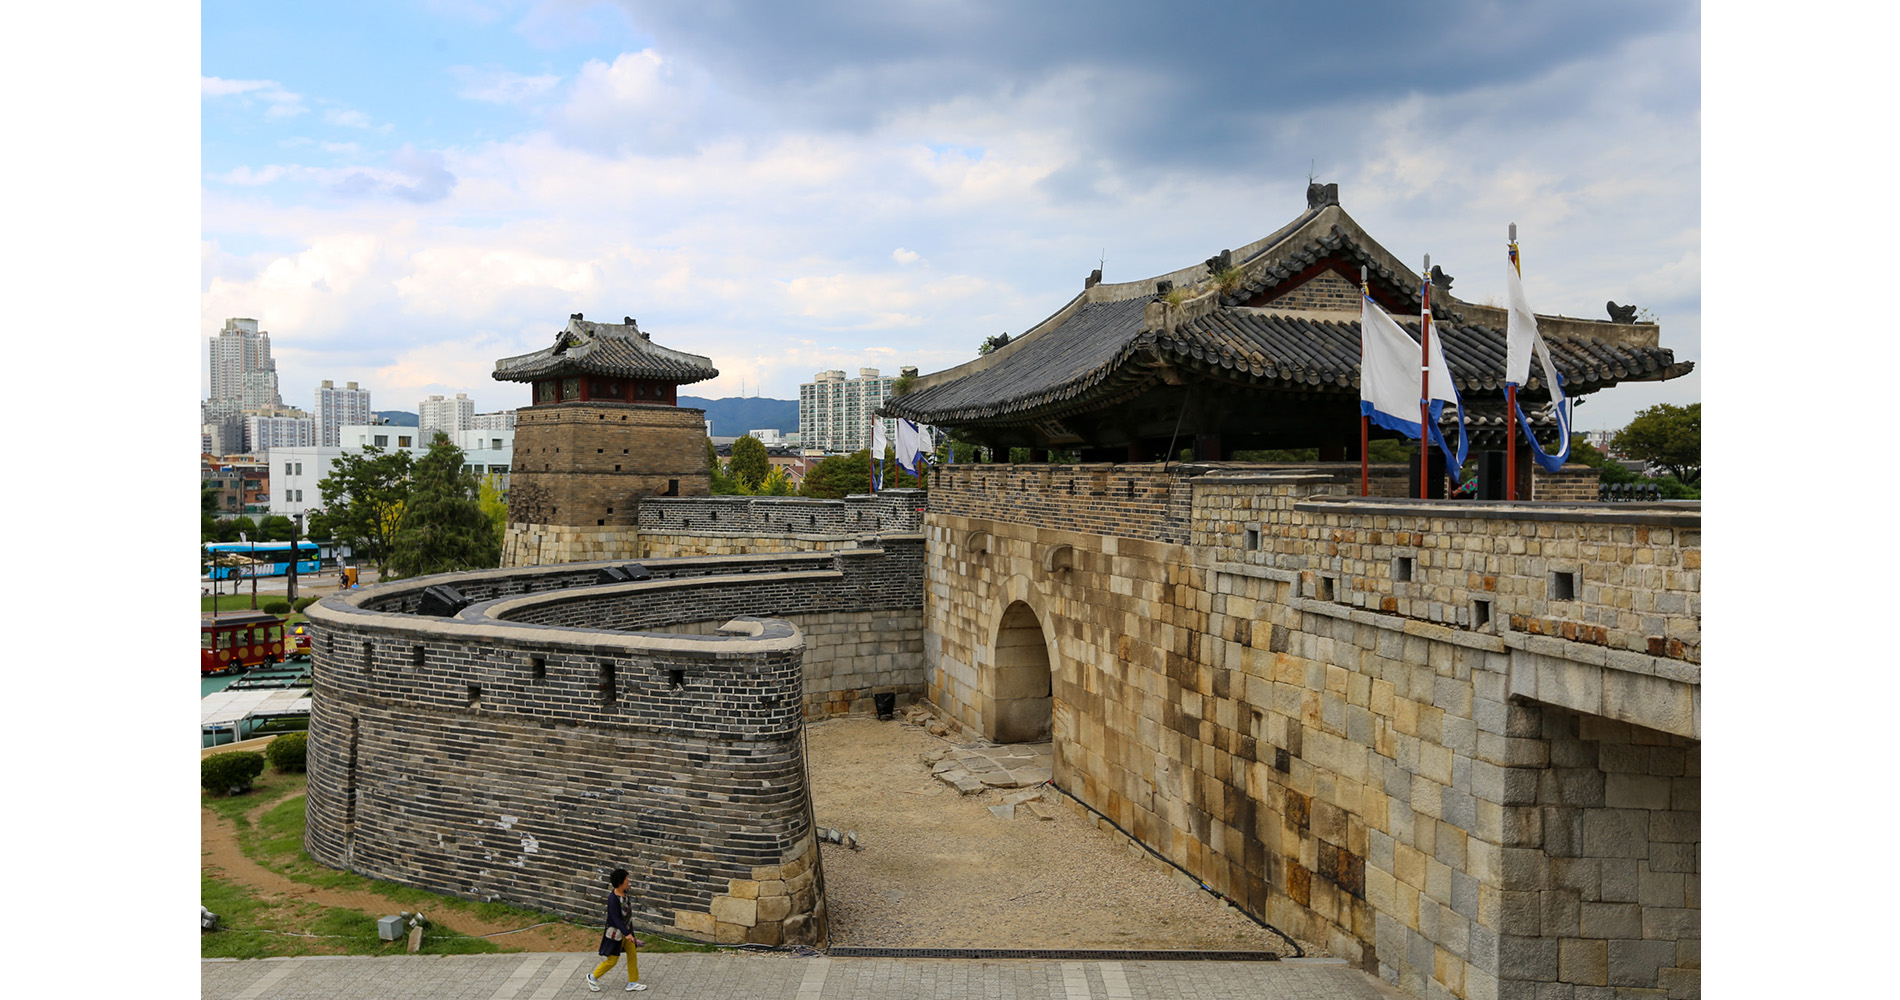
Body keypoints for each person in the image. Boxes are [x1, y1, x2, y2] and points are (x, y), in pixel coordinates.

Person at [587, 868, 647, 992]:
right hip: (617, 935)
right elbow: (615, 919)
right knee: (612, 961)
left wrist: (629, 932)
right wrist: (626, 934)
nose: (628, 881)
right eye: (626, 880)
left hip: (627, 932)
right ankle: (593, 977)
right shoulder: (613, 899)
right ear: (620, 882)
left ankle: (632, 982)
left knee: (632, 955)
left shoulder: (625, 894)